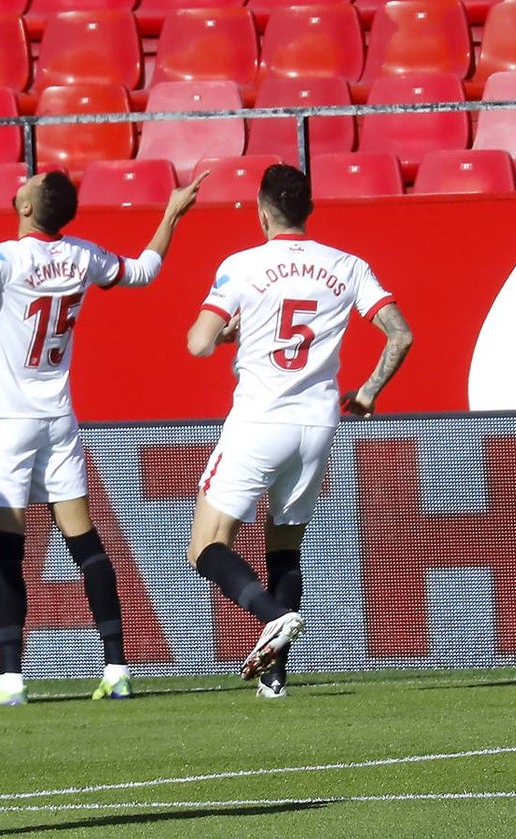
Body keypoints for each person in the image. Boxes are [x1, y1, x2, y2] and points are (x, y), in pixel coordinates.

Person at [0, 162, 206, 705]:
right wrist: (172, 214)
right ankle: (117, 667)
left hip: (8, 419)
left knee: (6, 547)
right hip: (57, 416)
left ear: (29, 207)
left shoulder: (10, 259)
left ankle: (11, 678)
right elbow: (145, 270)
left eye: (29, 183)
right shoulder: (83, 255)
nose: (22, 182)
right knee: (84, 543)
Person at [185, 164, 413, 699]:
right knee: (285, 545)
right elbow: (400, 334)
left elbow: (197, 342)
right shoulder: (348, 266)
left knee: (205, 546)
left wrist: (228, 338)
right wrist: (369, 392)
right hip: (319, 422)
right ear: (308, 210)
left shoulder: (241, 266)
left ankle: (269, 615)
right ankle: (276, 679)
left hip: (261, 417)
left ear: (262, 210)